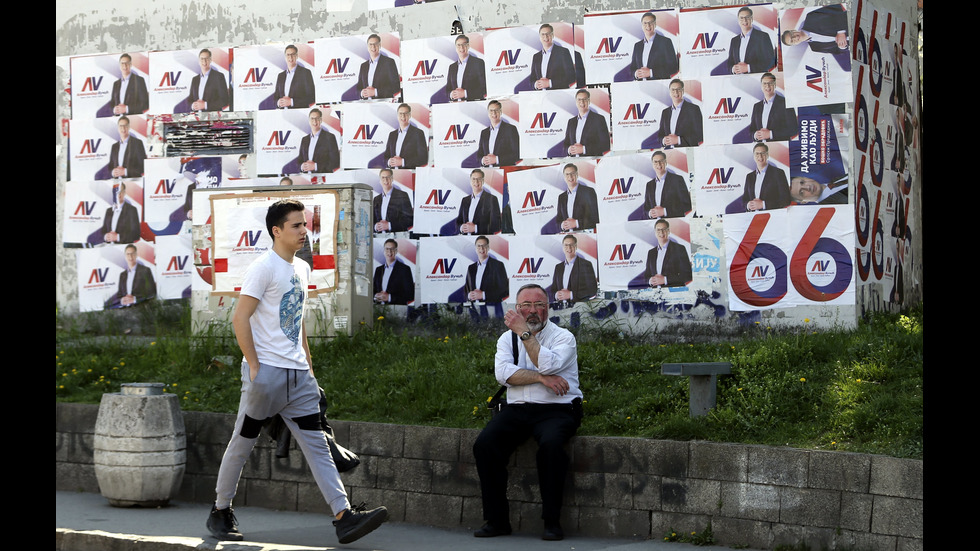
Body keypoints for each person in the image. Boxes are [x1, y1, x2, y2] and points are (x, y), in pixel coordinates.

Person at [207, 199, 388, 544]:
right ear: (277, 231)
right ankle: (220, 510)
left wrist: (309, 369)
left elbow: (297, 323)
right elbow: (239, 317)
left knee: (318, 445)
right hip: (267, 376)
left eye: (305, 224)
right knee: (243, 443)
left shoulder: (302, 269)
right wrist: (255, 366)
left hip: (298, 376)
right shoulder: (263, 268)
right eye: (296, 225)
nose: (304, 231)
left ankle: (344, 516)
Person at [472, 283, 583, 541]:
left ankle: (552, 522)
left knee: (552, 447)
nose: (532, 311)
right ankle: (497, 520)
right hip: (518, 409)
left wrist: (523, 332)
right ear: (517, 308)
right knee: (485, 445)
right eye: (526, 306)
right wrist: (542, 379)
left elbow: (548, 363)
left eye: (539, 305)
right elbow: (504, 375)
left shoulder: (563, 338)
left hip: (558, 409)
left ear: (548, 308)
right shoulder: (505, 339)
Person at [780, 4, 849, 55]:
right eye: (792, 41)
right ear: (795, 44)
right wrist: (842, 47)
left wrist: (841, 32)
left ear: (793, 30)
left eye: (792, 35)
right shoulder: (816, 48)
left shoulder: (811, 17)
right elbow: (838, 52)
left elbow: (836, 9)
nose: (794, 37)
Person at [749, 73, 797, 142]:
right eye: (764, 83)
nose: (767, 86)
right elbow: (751, 129)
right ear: (761, 86)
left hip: (779, 148)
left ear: (775, 85)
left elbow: (793, 129)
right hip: (761, 147)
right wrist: (755, 135)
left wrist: (771, 134)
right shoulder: (756, 106)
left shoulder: (785, 102)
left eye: (770, 83)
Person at [742, 142, 790, 211]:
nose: (760, 157)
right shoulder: (749, 177)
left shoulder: (778, 173)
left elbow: (786, 200)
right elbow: (744, 199)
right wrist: (748, 205)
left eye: (763, 153)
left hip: (772, 217)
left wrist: (763, 204)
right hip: (753, 217)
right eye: (757, 154)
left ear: (767, 155)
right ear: (753, 156)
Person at [644, 219, 692, 288]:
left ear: (668, 231)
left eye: (664, 229)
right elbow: (646, 275)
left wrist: (665, 280)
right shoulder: (651, 253)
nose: (661, 232)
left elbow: (687, 275)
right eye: (658, 230)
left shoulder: (679, 249)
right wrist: (650, 281)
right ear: (655, 232)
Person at [630, 12, 679, 80]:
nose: (648, 26)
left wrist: (651, 72)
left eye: (651, 22)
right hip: (641, 86)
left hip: (660, 86)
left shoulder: (665, 42)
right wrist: (636, 73)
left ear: (655, 24)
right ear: (642, 25)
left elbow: (673, 68)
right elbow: (632, 67)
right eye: (645, 23)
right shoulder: (637, 46)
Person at [643, 150, 692, 219]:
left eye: (661, 161)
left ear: (665, 162)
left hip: (675, 225)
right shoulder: (649, 185)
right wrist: (649, 213)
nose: (659, 164)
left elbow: (687, 205)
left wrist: (665, 211)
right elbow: (646, 207)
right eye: (655, 162)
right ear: (652, 164)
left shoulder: (677, 180)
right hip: (655, 224)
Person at [727, 7, 776, 75]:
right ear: (738, 20)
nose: (744, 20)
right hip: (739, 80)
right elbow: (730, 62)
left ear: (752, 19)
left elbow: (771, 61)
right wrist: (733, 69)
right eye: (741, 18)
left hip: (757, 79)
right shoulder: (734, 41)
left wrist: (748, 68)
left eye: (747, 17)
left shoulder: (763, 36)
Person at [105, 243, 156, 308]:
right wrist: (121, 300)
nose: (130, 257)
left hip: (141, 308)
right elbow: (119, 295)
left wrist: (135, 299)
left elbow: (152, 292)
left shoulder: (145, 270)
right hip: (125, 310)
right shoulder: (122, 275)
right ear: (125, 256)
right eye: (128, 254)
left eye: (133, 254)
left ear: (136, 255)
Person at [551, 234, 597, 305]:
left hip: (580, 309)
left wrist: (571, 295)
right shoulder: (558, 267)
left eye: (571, 245)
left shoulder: (586, 264)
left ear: (576, 247)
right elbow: (553, 289)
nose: (569, 248)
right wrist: (556, 294)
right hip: (561, 309)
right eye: (566, 245)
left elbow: (592, 290)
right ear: (563, 247)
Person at [563, 89, 610, 158]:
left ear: (589, 101)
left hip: (591, 162)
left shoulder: (598, 119)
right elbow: (565, 144)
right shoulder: (571, 122)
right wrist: (569, 150)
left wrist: (584, 149)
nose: (582, 102)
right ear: (576, 102)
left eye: (584, 99)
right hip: (574, 161)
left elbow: (606, 145)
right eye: (579, 100)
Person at [529, 24, 576, 90]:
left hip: (559, 95)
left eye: (548, 34)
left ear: (553, 35)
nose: (545, 37)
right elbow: (531, 79)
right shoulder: (536, 57)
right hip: (542, 96)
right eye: (543, 34)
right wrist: (536, 84)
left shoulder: (563, 52)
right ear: (539, 37)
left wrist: (550, 83)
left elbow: (571, 77)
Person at [658, 79, 703, 148]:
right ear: (669, 92)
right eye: (673, 90)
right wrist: (664, 140)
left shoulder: (693, 109)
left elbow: (700, 135)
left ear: (683, 91)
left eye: (678, 89)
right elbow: (660, 135)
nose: (676, 92)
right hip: (669, 152)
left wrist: (678, 140)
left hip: (686, 152)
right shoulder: (665, 112)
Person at [555, 163, 599, 232]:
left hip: (585, 236)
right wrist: (562, 225)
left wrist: (576, 223)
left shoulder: (588, 192)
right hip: (567, 235)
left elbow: (596, 218)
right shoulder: (561, 197)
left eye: (573, 173)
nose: (570, 177)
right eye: (567, 174)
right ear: (564, 177)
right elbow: (558, 221)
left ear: (577, 175)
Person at [464, 235, 508, 303]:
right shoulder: (471, 268)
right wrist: (469, 295)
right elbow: (466, 289)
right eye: (479, 246)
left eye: (484, 246)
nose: (481, 248)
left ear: (488, 248)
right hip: (474, 308)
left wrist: (483, 295)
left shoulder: (498, 265)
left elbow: (505, 290)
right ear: (475, 249)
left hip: (493, 309)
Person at [457, 169, 502, 235]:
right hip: (466, 240)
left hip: (483, 241)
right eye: (474, 179)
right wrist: (461, 228)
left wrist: (475, 228)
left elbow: (497, 225)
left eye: (479, 179)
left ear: (483, 181)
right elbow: (458, 221)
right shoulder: (465, 200)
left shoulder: (492, 199)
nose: (476, 182)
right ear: (470, 181)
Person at [384, 103, 429, 169]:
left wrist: (403, 162)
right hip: (394, 174)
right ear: (397, 115)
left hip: (408, 175)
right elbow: (386, 156)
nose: (403, 116)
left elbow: (423, 158)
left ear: (410, 115)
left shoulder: (418, 133)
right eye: (400, 113)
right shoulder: (392, 135)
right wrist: (388, 162)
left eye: (406, 113)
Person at [357, 34, 401, 100]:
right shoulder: (363, 66)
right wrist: (361, 93)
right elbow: (358, 87)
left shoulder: (389, 62)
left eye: (376, 44)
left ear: (380, 45)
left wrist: (375, 92)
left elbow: (396, 86)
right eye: (370, 44)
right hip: (367, 105)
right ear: (367, 46)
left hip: (384, 104)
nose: (373, 47)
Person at [478, 100, 520, 167]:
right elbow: (479, 154)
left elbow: (517, 154)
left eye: (496, 110)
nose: (494, 113)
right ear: (488, 113)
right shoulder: (484, 133)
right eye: (491, 111)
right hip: (488, 172)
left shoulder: (510, 129)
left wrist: (497, 159)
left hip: (504, 170)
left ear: (500, 112)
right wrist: (483, 160)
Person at [297, 108, 340, 174]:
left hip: (323, 179)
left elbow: (335, 162)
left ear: (321, 120)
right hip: (307, 178)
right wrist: (302, 166)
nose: (315, 121)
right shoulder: (304, 140)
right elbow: (300, 160)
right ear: (309, 120)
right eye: (312, 118)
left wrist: (316, 166)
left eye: (317, 118)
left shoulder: (329, 137)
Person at [373, 239, 415, 305]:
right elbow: (373, 291)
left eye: (392, 249)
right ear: (384, 251)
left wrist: (389, 297)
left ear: (396, 251)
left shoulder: (405, 269)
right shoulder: (378, 270)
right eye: (387, 249)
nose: (389, 252)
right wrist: (376, 296)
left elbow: (410, 295)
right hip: (378, 309)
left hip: (396, 310)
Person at [446, 35, 487, 102]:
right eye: (458, 45)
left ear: (468, 46)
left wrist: (465, 93)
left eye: (464, 44)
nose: (461, 47)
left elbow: (484, 88)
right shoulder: (452, 67)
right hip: (456, 106)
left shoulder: (478, 63)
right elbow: (447, 89)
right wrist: (451, 94)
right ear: (455, 48)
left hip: (474, 105)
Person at [274, 44, 316, 109]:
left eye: (293, 54)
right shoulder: (280, 76)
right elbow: (275, 97)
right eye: (288, 55)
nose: (290, 57)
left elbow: (312, 97)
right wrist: (278, 102)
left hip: (299, 114)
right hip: (282, 114)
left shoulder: (305, 73)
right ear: (285, 57)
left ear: (296, 56)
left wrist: (292, 102)